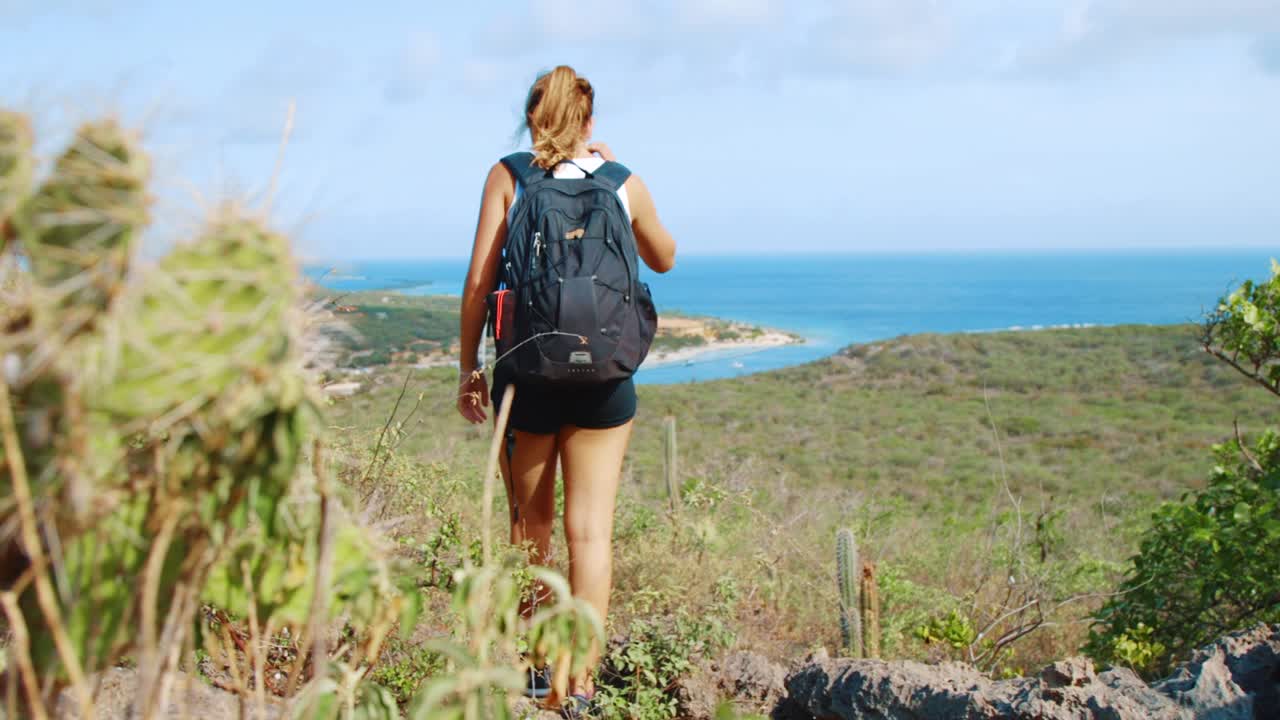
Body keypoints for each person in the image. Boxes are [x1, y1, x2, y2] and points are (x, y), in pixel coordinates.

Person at [455, 65, 676, 715]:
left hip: (528, 378)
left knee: (532, 530)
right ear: (589, 122)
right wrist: (618, 172)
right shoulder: (619, 180)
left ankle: (537, 672)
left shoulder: (510, 176)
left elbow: (478, 283)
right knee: (590, 532)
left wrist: (469, 366)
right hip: (606, 378)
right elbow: (663, 256)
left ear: (531, 119)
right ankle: (579, 681)